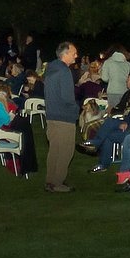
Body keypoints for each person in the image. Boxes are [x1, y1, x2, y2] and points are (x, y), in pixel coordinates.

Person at [41, 40, 79, 193]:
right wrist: (76, 108)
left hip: (51, 115)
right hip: (64, 117)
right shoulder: (64, 71)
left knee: (55, 150)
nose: (76, 56)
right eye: (74, 53)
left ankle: (50, 180)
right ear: (66, 54)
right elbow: (67, 97)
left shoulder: (50, 70)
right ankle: (57, 183)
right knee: (65, 151)